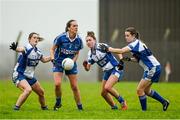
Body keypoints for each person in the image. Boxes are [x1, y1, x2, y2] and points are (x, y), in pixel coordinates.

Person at [99, 27, 170, 111]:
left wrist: (108, 49)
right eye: (125, 35)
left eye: (128, 35)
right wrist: (129, 59)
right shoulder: (137, 44)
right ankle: (164, 102)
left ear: (133, 36)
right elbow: (138, 59)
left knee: (139, 90)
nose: (126, 37)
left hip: (152, 68)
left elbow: (121, 50)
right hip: (152, 68)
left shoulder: (135, 44)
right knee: (146, 91)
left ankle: (144, 112)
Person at [83, 31, 128, 110]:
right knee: (103, 93)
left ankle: (123, 102)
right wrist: (85, 66)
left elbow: (117, 51)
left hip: (116, 68)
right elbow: (87, 69)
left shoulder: (101, 46)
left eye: (90, 40)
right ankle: (114, 107)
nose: (88, 42)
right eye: (86, 41)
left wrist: (121, 60)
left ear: (94, 40)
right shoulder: (90, 54)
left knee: (107, 87)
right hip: (107, 72)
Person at [10, 32, 51, 110]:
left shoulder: (37, 51)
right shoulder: (27, 47)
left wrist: (53, 56)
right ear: (29, 39)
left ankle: (44, 108)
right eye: (34, 37)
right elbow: (21, 49)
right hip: (19, 74)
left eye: (37, 38)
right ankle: (16, 108)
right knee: (28, 90)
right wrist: (16, 48)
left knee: (41, 92)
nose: (36, 39)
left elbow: (44, 60)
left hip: (29, 76)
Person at [50, 20, 83, 110]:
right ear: (69, 28)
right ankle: (58, 102)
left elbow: (77, 53)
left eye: (77, 26)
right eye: (74, 26)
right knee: (57, 84)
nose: (76, 27)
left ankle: (80, 107)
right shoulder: (61, 37)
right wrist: (52, 58)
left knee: (74, 86)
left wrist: (72, 62)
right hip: (58, 62)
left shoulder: (79, 40)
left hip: (71, 63)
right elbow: (52, 49)